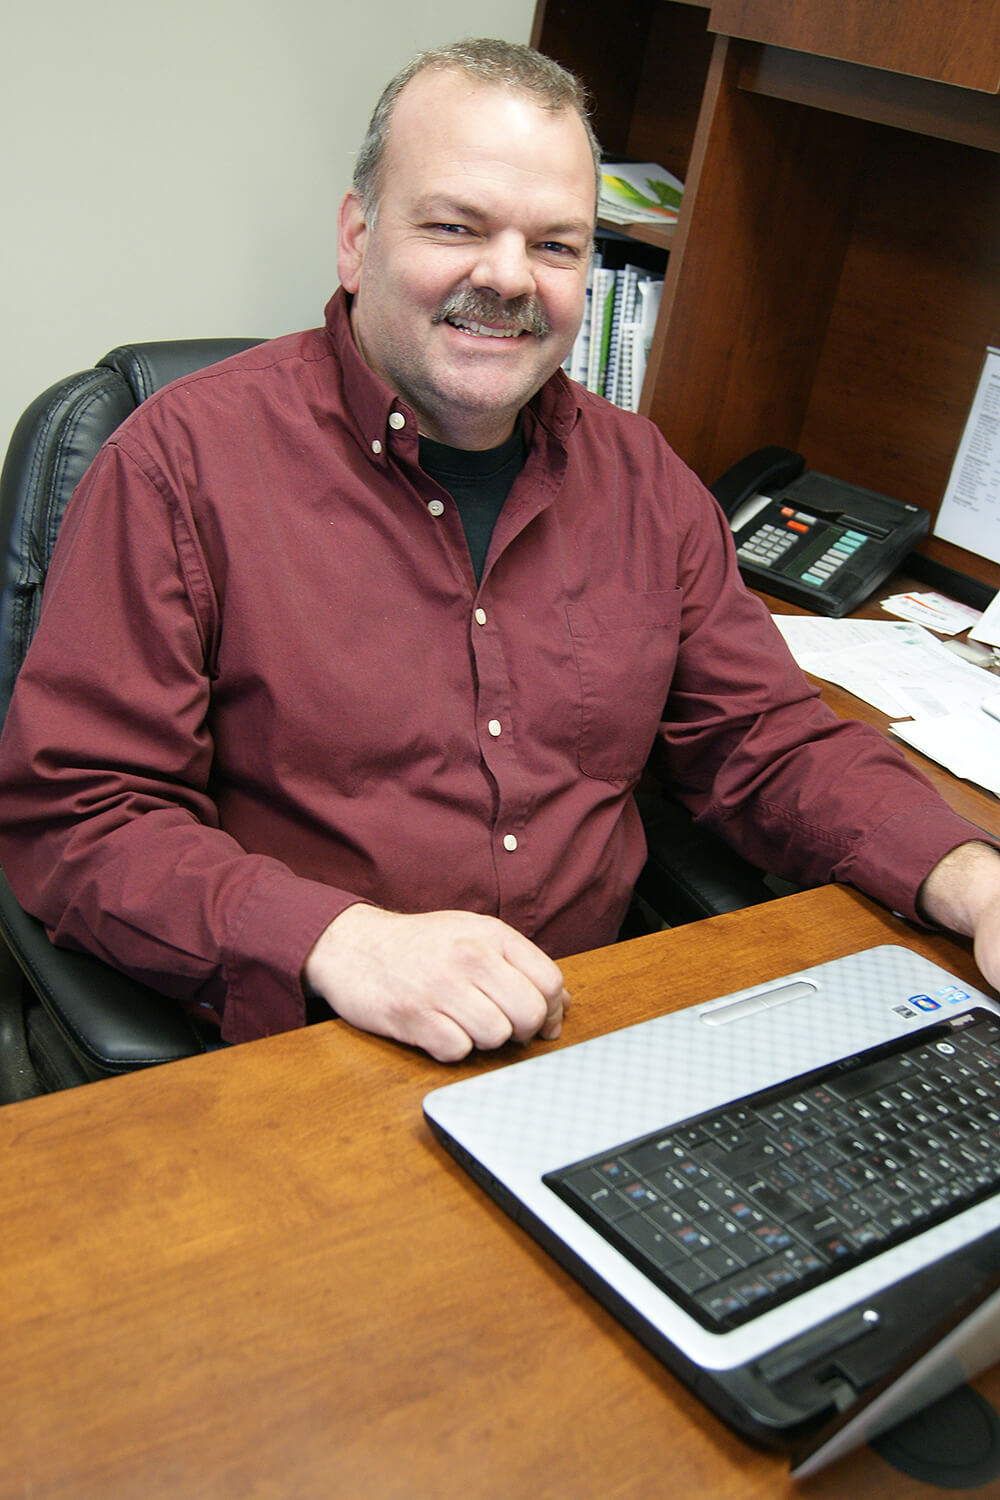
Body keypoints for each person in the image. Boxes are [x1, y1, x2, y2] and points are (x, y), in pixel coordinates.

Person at [0, 39, 997, 1064]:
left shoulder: (645, 481)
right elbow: (83, 818)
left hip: (592, 1036)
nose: (509, 277)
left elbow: (765, 742)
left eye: (556, 245)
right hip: (304, 1049)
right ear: (356, 239)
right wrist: (340, 942)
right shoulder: (179, 465)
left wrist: (973, 881)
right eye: (456, 227)